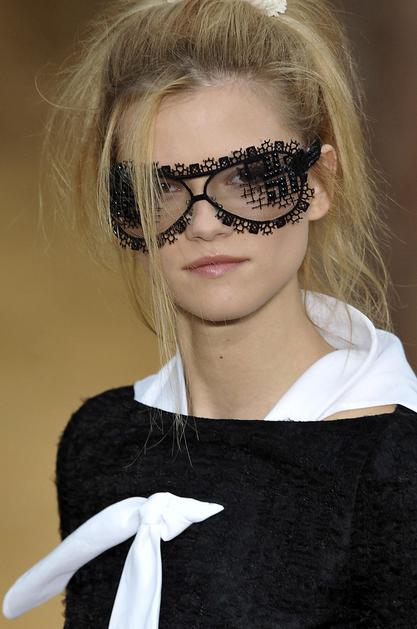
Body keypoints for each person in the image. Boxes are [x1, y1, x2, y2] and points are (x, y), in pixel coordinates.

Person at [3, 0, 417, 627]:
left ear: (319, 184)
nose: (203, 223)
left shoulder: (394, 467)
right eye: (160, 188)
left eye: (250, 177)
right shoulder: (100, 442)